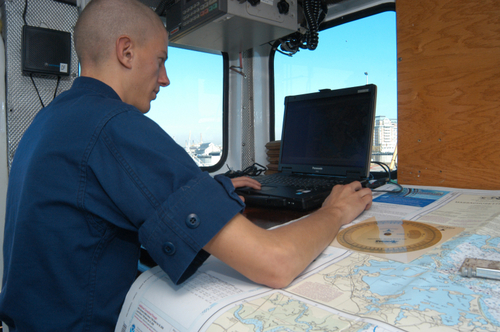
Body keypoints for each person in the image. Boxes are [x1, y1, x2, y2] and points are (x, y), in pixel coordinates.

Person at [0, 0, 373, 331]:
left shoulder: (49, 120)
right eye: (161, 60)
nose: (165, 78)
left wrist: (216, 191)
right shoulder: (116, 126)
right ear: (126, 52)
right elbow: (275, 262)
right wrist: (335, 211)